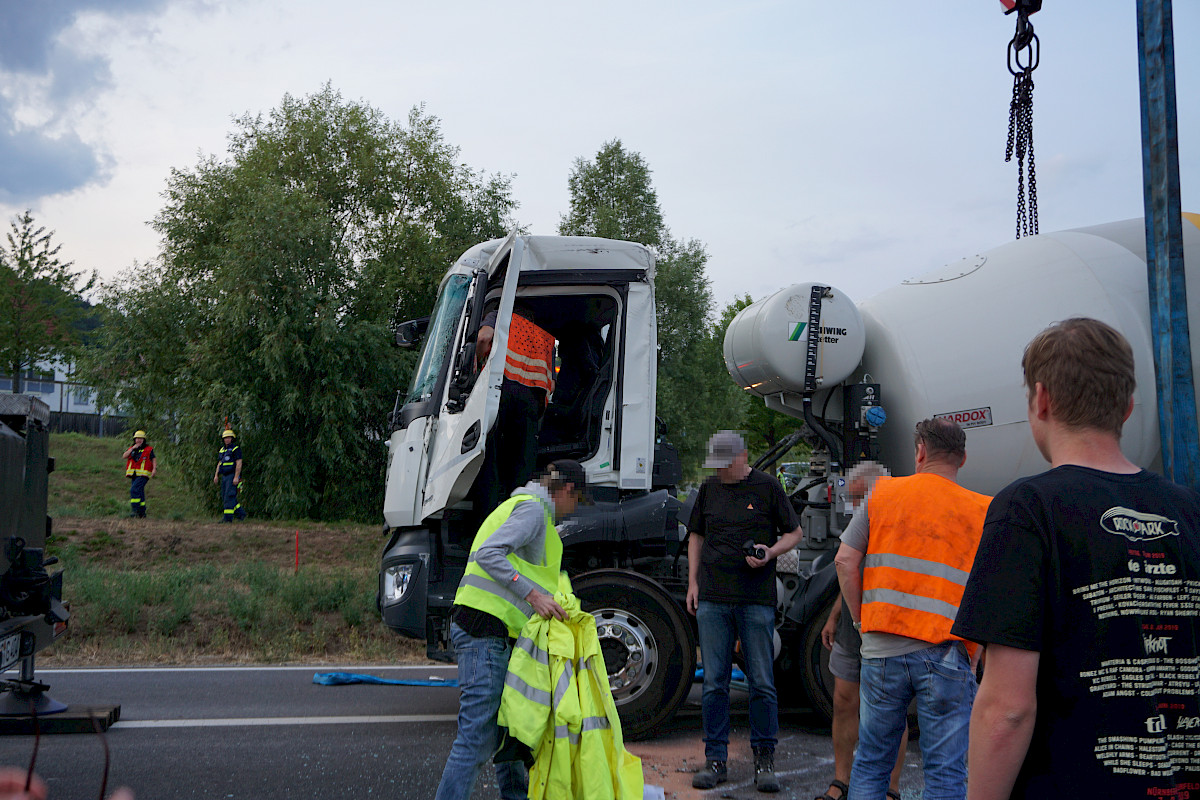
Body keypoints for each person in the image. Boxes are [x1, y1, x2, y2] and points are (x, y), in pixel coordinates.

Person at [952, 318, 1200, 800]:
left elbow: (1007, 707)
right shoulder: (1190, 512)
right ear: (1127, 407)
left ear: (1041, 399)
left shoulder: (1028, 509)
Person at [834, 418, 990, 800]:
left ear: (920, 451)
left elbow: (844, 561)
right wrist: (976, 653)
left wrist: (860, 622)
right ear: (963, 458)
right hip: (948, 654)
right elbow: (989, 592)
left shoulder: (883, 495)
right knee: (946, 771)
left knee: (871, 762)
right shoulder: (982, 510)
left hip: (882, 651)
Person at [433, 459, 588, 800]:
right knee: (478, 735)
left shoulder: (529, 511)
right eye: (576, 501)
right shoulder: (532, 512)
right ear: (566, 491)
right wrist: (533, 596)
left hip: (494, 630)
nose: (573, 510)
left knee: (510, 727)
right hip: (484, 629)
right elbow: (489, 554)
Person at [687, 431, 805, 794]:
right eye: (717, 465)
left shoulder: (768, 487)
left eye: (726, 464)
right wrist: (693, 583)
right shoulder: (709, 489)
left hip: (755, 599)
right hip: (713, 598)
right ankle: (715, 759)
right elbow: (696, 536)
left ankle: (764, 760)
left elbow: (795, 533)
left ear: (743, 457)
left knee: (762, 682)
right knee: (714, 683)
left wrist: (769, 553)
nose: (721, 471)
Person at [817, 460, 907, 800]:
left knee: (890, 711)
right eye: (852, 499)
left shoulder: (898, 516)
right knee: (843, 701)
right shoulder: (862, 519)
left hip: (886, 628)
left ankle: (891, 788)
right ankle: (841, 781)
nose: (854, 506)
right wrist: (835, 615)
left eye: (859, 497)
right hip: (854, 629)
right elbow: (849, 570)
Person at [471, 301, 556, 518]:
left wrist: (476, 362)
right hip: (530, 403)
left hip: (500, 391)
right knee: (521, 466)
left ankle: (487, 521)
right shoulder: (546, 337)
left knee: (489, 459)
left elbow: (483, 338)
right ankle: (516, 519)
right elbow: (551, 384)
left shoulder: (500, 317)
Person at [212, 428, 246, 523]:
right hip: (224, 476)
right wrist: (216, 475)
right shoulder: (222, 450)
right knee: (225, 496)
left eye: (228, 437)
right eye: (225, 438)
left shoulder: (236, 449)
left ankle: (228, 518)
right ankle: (241, 513)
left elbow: (239, 463)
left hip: (232, 476)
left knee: (229, 496)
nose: (227, 439)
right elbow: (219, 463)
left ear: (232, 438)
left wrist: (236, 477)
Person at [121, 430, 156, 518]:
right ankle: (142, 512)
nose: (138, 440)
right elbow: (124, 456)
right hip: (134, 474)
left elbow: (153, 459)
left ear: (144, 439)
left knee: (134, 490)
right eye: (137, 438)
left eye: (140, 438)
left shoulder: (149, 449)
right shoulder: (132, 448)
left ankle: (135, 510)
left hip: (143, 474)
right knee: (139, 492)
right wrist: (133, 448)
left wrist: (154, 469)